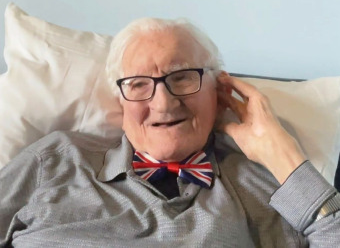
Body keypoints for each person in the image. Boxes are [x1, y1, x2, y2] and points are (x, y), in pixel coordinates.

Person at [0, 17, 339, 247]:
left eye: (182, 77)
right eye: (138, 84)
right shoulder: (54, 161)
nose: (163, 103)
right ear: (121, 100)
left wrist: (283, 154)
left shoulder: (263, 184)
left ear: (219, 90)